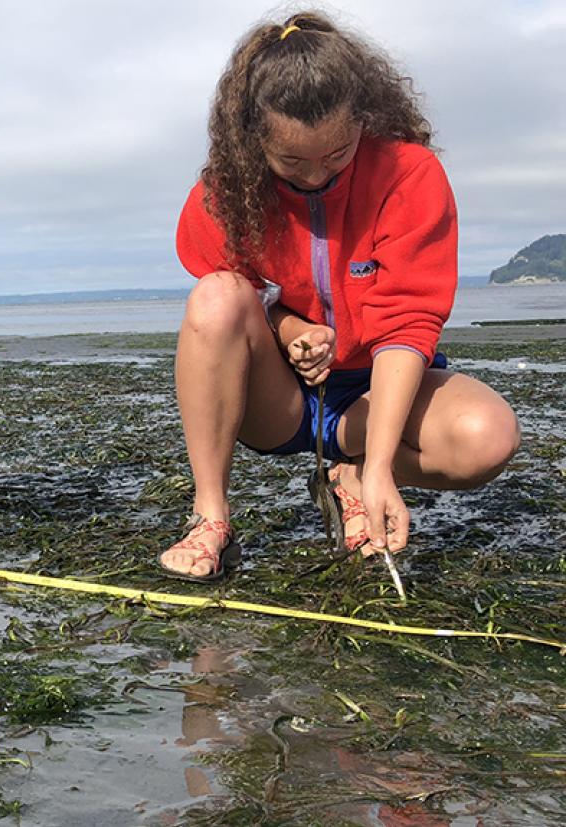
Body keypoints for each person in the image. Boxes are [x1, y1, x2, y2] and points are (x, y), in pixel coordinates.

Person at [160, 13, 519, 581]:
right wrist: (290, 331)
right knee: (215, 295)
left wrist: (379, 468)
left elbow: (407, 321)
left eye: (337, 155)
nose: (315, 178)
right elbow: (246, 299)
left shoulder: (409, 175)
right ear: (254, 139)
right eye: (293, 162)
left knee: (487, 437)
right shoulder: (225, 193)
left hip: (370, 395)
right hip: (274, 399)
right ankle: (211, 516)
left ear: (363, 120)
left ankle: (349, 473)